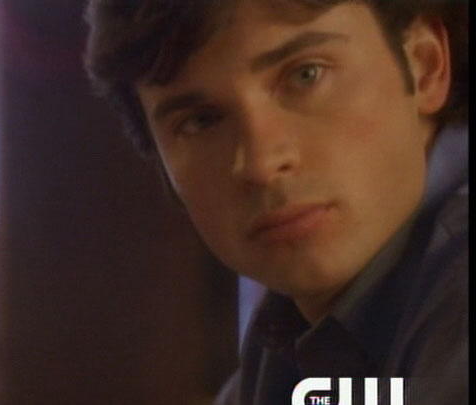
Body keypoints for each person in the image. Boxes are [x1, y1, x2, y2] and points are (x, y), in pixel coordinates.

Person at [83, 0, 468, 403]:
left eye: (306, 75)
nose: (260, 164)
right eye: (200, 120)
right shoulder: (284, 342)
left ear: (425, 65)